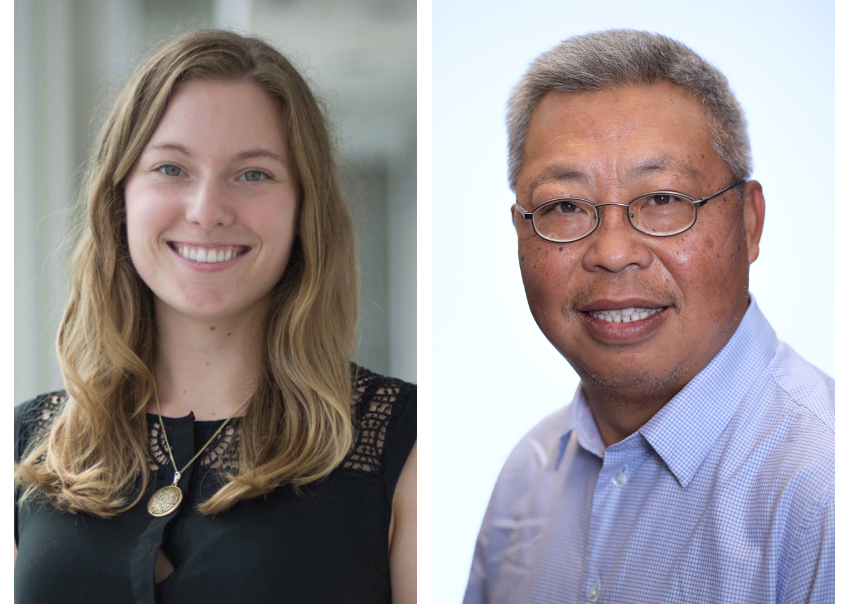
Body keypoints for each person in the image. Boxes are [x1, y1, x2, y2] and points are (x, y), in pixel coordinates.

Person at [14, 30, 416, 604]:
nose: (207, 212)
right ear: (119, 196)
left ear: (305, 208)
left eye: (253, 174)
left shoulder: (405, 444)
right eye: (171, 169)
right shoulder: (29, 445)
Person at [463, 30, 832, 604]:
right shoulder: (526, 479)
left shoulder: (824, 488)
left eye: (662, 200)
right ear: (519, 235)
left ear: (749, 222)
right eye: (564, 206)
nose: (612, 252)